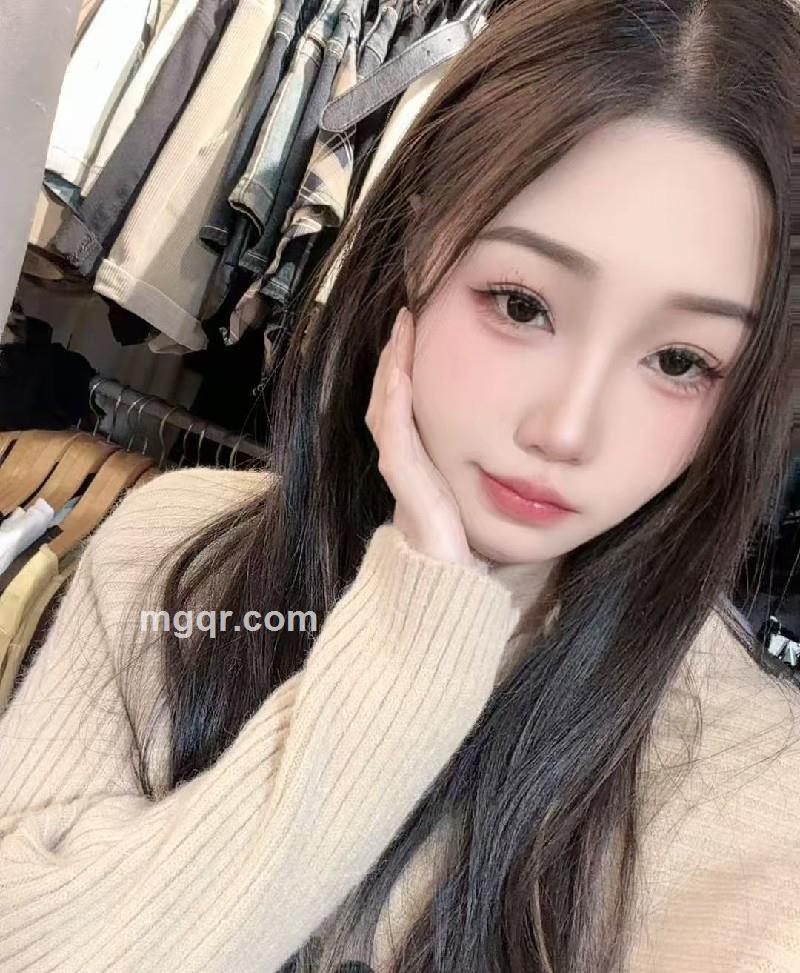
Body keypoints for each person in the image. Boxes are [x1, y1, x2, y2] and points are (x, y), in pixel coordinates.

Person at [1, 0, 799, 971]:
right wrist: (411, 642)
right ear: (416, 247)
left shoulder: (752, 783)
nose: (566, 430)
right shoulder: (170, 561)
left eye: (678, 361)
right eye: (522, 305)